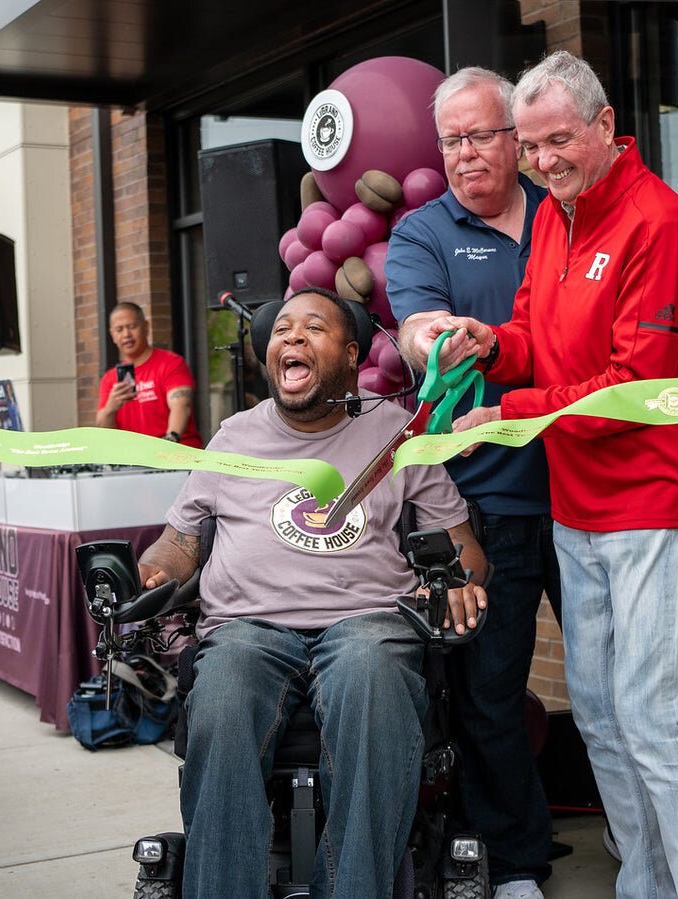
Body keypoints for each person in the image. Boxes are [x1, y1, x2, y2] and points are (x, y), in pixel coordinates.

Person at [413, 51, 678, 898]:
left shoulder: (659, 222)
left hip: (656, 500)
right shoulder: (555, 213)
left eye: (560, 141)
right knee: (595, 712)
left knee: (657, 721)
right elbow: (530, 335)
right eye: (532, 147)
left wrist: (512, 411)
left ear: (604, 127)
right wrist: (492, 345)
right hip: (574, 499)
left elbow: (637, 383)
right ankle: (646, 884)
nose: (544, 160)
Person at [137, 288, 488, 897]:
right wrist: (152, 573)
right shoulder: (233, 437)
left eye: (313, 328)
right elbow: (178, 544)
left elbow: (465, 551)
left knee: (370, 677)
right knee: (220, 703)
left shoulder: (398, 434)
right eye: (281, 330)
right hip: (245, 628)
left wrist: (459, 582)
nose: (291, 337)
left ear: (351, 356)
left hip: (367, 621)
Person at [385, 66, 563, 898]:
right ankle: (517, 861)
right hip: (490, 500)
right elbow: (414, 322)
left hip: (600, 493)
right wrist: (435, 339)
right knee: (490, 689)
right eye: (450, 140)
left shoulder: (565, 213)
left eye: (480, 135)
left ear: (515, 139)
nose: (464, 154)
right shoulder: (425, 230)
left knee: (612, 696)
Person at [96, 302, 201, 446]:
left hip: (176, 455)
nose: (126, 334)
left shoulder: (171, 363)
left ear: (146, 327)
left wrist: (170, 440)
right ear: (112, 335)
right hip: (134, 461)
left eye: (132, 326)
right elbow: (104, 433)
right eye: (119, 329)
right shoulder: (109, 379)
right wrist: (110, 408)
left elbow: (181, 405)